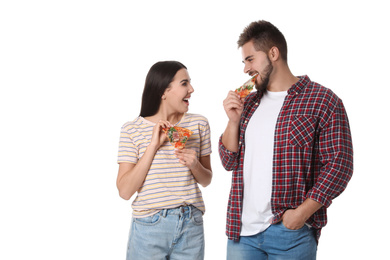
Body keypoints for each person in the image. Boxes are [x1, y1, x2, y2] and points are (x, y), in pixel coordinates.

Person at [219, 20, 353, 260]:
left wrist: (301, 214)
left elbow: (339, 164)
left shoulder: (322, 101)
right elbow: (228, 161)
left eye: (250, 59)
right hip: (242, 235)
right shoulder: (247, 104)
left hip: (290, 234)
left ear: (273, 53)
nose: (245, 69)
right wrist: (232, 121)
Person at [117, 61, 212, 260]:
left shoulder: (199, 124)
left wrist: (195, 165)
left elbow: (206, 180)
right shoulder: (131, 129)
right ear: (163, 91)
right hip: (149, 227)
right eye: (184, 83)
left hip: (191, 225)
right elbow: (125, 191)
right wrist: (153, 146)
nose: (192, 89)